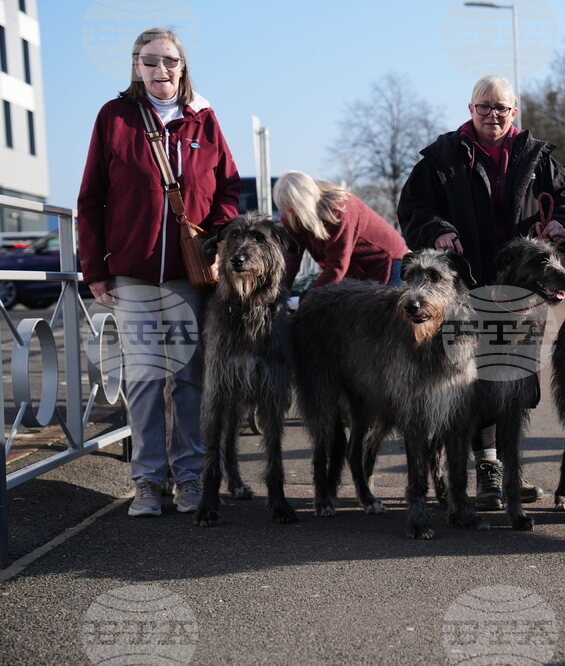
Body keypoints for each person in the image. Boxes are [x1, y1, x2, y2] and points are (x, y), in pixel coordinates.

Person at [77, 28, 240, 517]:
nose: (160, 69)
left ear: (182, 66)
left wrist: (217, 240)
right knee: (146, 378)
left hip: (190, 274)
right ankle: (147, 481)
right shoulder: (115, 117)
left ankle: (188, 478)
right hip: (135, 272)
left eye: (169, 60)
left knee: (189, 377)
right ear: (136, 66)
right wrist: (95, 268)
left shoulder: (203, 120)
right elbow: (90, 198)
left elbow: (228, 190)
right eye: (149, 61)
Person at [398, 74, 565, 510]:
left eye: (501, 107)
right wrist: (438, 230)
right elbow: (413, 208)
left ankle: (509, 470)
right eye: (484, 106)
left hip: (522, 291)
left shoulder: (538, 157)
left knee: (516, 382)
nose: (492, 114)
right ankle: (487, 469)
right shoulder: (442, 157)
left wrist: (562, 222)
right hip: (469, 287)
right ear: (470, 109)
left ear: (514, 112)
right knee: (474, 381)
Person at [273, 171, 408, 289]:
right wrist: (279, 295)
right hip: (354, 268)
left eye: (292, 207)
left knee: (381, 309)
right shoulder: (292, 216)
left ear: (303, 201)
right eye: (285, 208)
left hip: (387, 262)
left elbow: (337, 266)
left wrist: (310, 299)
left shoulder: (339, 209)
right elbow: (291, 261)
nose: (288, 212)